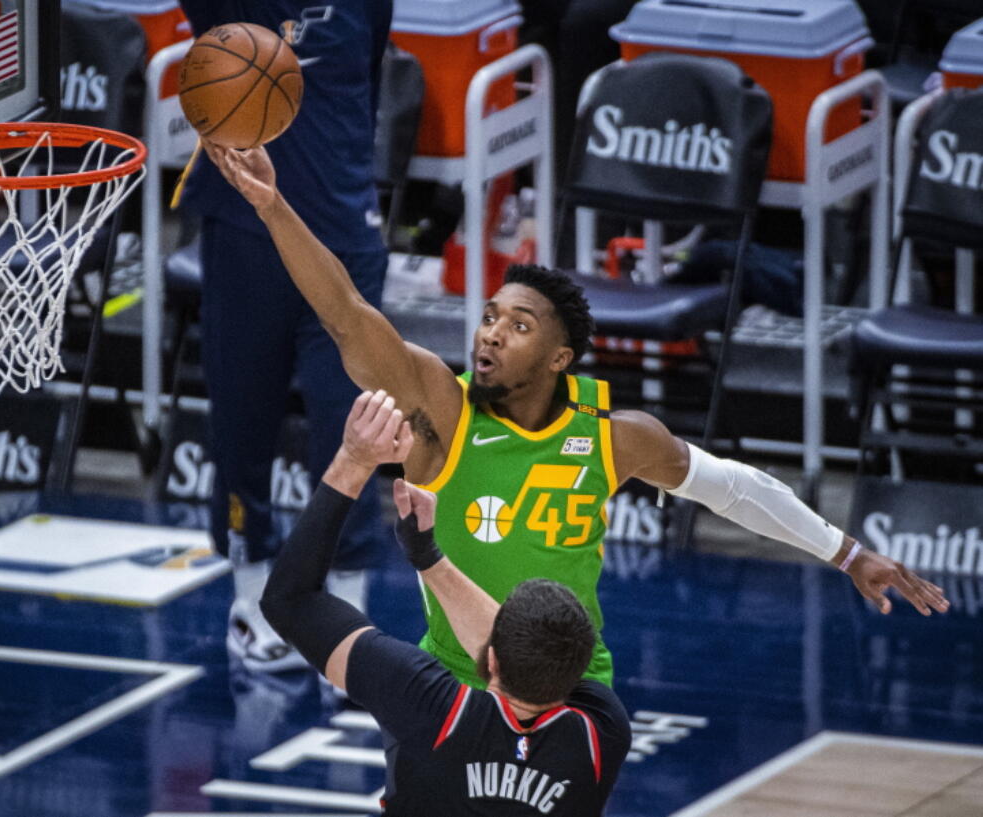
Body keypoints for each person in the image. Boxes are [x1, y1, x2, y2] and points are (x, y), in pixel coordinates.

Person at [201, 139, 953, 689]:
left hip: (574, 687)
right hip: (457, 686)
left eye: (518, 325)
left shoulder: (612, 437)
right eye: (491, 315)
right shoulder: (443, 408)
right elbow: (345, 312)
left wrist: (848, 553)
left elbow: (733, 488)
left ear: (561, 358)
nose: (491, 331)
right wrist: (273, 206)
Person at [261, 389, 632, 816]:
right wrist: (428, 560)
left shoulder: (431, 707)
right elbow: (520, 652)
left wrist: (355, 460)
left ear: (491, 659)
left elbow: (289, 600)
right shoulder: (601, 732)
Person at [175, 0, 394, 672]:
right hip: (243, 236)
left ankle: (347, 614)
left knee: (353, 424)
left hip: (344, 234)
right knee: (242, 420)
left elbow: (372, 80)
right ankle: (249, 597)